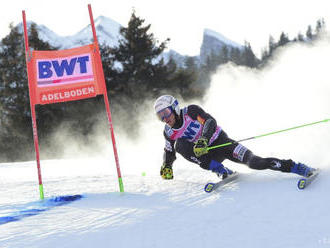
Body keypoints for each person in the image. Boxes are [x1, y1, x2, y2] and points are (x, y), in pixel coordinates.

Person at [154, 95, 316, 180]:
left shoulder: (191, 111)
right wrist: (166, 166)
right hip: (206, 154)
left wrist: (203, 138)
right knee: (180, 145)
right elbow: (169, 151)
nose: (165, 118)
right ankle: (219, 169)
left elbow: (209, 121)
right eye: (160, 116)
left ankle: (295, 167)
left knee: (255, 162)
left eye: (166, 113)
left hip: (221, 142)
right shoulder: (168, 132)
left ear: (174, 108)